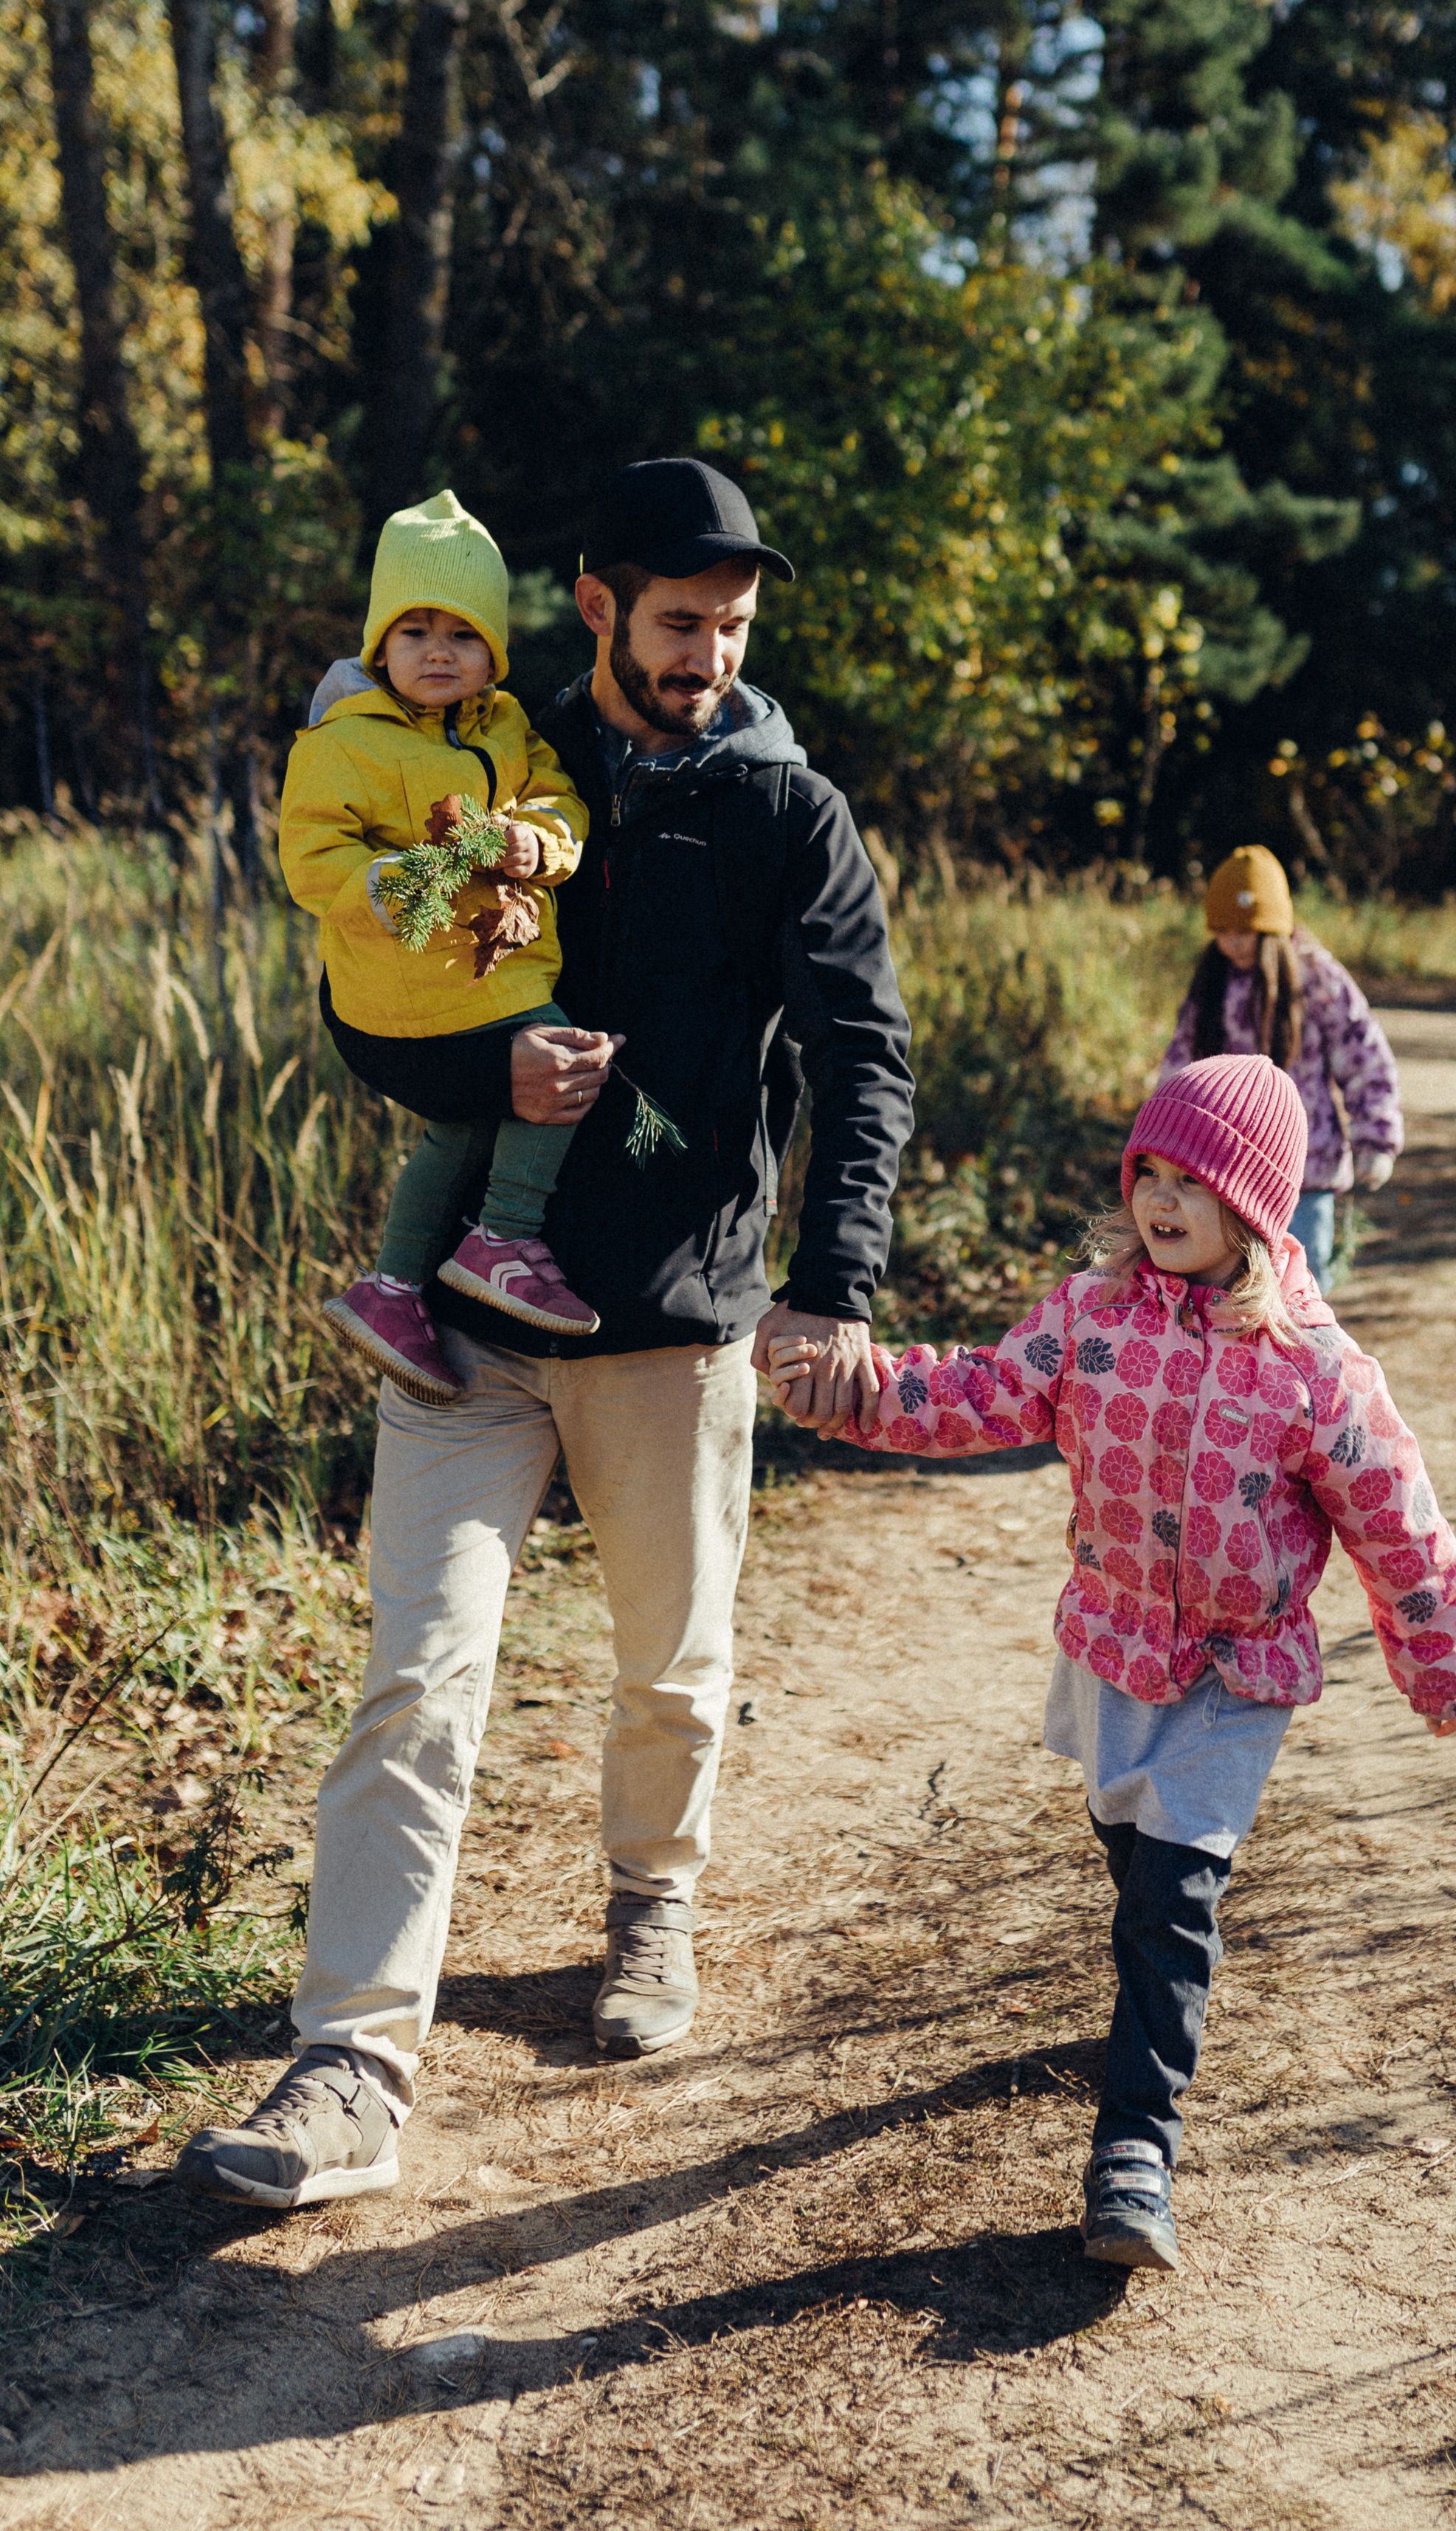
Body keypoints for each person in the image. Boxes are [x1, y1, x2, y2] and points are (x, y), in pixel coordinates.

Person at [178, 458, 914, 2212]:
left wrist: (837, 1278)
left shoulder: (781, 805)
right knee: (416, 1679)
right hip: (467, 1327)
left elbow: (860, 1049)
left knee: (669, 1660)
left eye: (731, 629)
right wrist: (478, 1073)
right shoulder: (489, 760)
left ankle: (652, 1901)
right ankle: (351, 2058)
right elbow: (375, 1007)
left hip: (668, 1313)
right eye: (677, 624)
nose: (706, 658)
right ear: (593, 603)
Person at [767, 1053, 1456, 2274]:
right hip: (1110, 1650)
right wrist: (861, 1398)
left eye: (1191, 1181)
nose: (1159, 1198)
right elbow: (985, 1393)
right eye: (1147, 1171)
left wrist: (1439, 1659)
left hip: (1231, 1675)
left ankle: (1135, 2152)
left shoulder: (1313, 1369)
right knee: (1129, 1857)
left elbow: (1397, 1520)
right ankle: (1150, 2004)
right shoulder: (1088, 1316)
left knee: (1173, 1899)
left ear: (1253, 1205)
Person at [279, 490, 599, 1404]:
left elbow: (556, 798)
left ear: (491, 654)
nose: (437, 652)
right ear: (380, 647)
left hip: (480, 971)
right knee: (564, 1058)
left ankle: (390, 1290)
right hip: (411, 980)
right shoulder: (345, 741)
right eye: (414, 633)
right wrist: (381, 884)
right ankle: (502, 1237)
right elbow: (310, 854)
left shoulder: (507, 728)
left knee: (462, 1126)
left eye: (461, 636)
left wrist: (538, 841)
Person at [1162, 845, 1402, 1292]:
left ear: (1275, 926)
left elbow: (1362, 1052)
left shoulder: (1317, 978)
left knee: (1300, 1286)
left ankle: (1306, 1361)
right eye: (1223, 930)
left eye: (1246, 930)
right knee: (1227, 1286)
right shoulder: (1211, 986)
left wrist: (1376, 1134)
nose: (1233, 942)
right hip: (1224, 1174)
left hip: (1305, 1173)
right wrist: (1164, 1146)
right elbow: (1181, 1065)